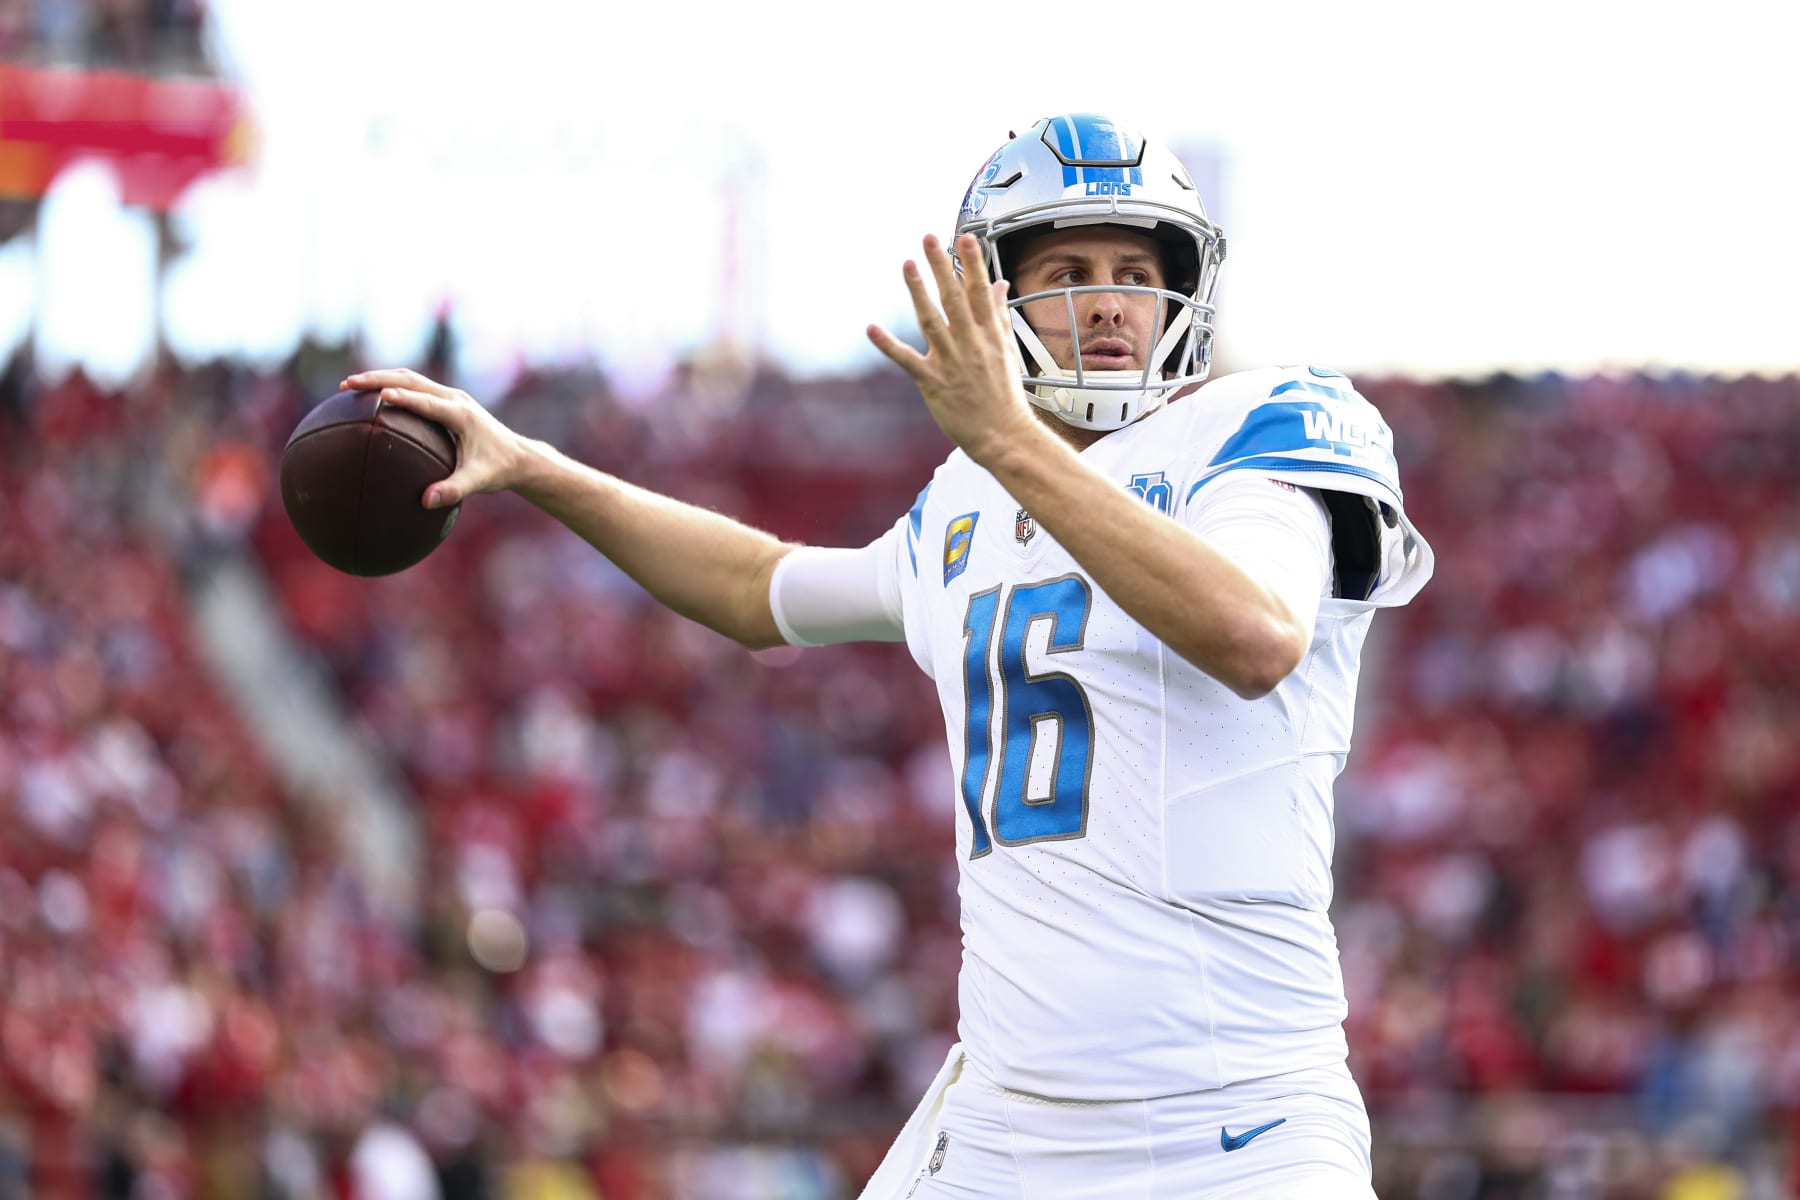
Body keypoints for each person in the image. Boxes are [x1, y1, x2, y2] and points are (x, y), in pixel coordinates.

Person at [346, 113, 1434, 1199]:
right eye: (1068, 269)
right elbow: (756, 588)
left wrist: (1005, 441)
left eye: (1134, 269)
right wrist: (536, 466)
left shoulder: (1267, 422)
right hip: (1008, 1127)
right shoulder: (966, 501)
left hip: (1237, 1125)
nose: (1109, 299)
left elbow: (1255, 632)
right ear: (993, 297)